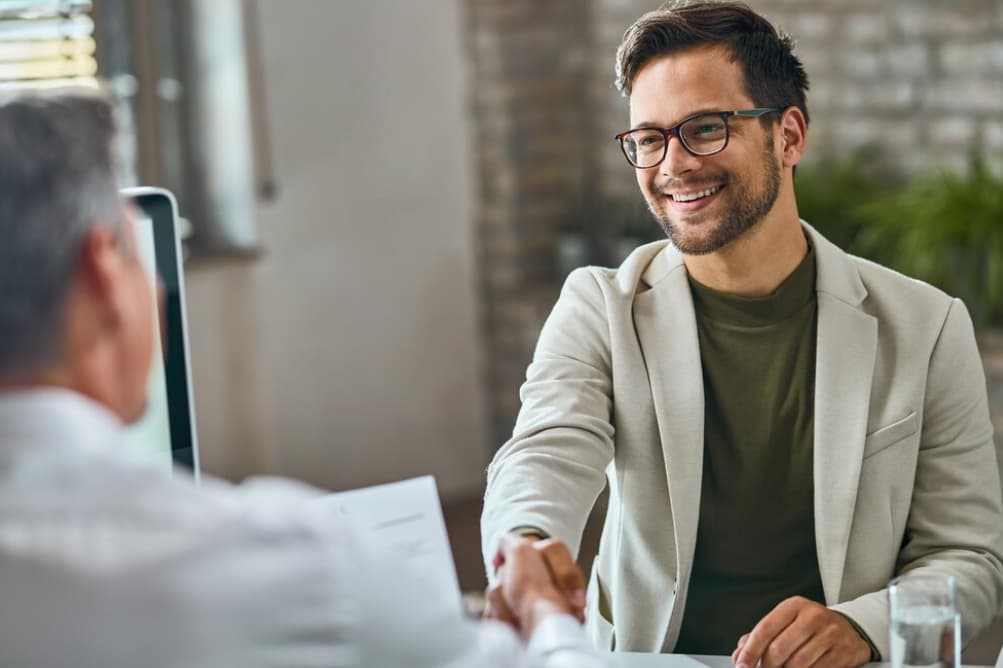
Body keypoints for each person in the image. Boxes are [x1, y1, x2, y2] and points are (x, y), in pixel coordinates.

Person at [0, 87, 609, 668]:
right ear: (104, 273)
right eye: (140, 254)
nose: (157, 288)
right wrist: (544, 613)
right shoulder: (282, 566)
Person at [480, 2, 1003, 666]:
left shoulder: (925, 327)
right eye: (648, 138)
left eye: (704, 128)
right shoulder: (599, 306)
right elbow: (546, 449)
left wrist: (861, 625)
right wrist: (523, 543)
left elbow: (970, 556)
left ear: (788, 136)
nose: (672, 164)